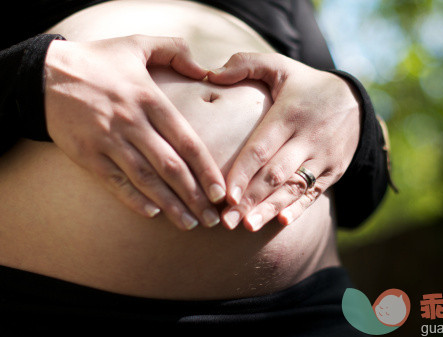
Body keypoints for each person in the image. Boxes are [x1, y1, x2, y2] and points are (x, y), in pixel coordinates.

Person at [0, 0, 390, 335]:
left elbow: (362, 198)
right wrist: (32, 73)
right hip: (44, 306)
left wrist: (354, 112)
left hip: (302, 313)